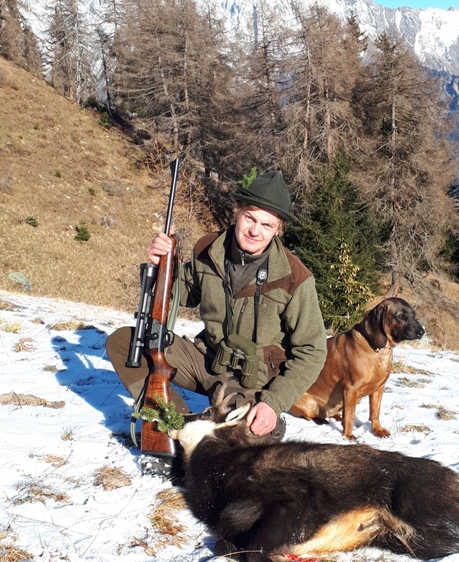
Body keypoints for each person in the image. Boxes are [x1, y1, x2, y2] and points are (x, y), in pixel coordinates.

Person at [106, 170, 327, 440]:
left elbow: (312, 351)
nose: (255, 231)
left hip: (252, 381)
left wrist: (273, 403)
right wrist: (163, 266)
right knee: (124, 343)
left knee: (251, 436)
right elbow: (183, 294)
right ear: (237, 212)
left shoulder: (295, 278)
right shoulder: (209, 249)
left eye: (267, 225)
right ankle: (176, 424)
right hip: (206, 362)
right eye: (250, 218)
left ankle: (217, 429)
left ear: (278, 229)